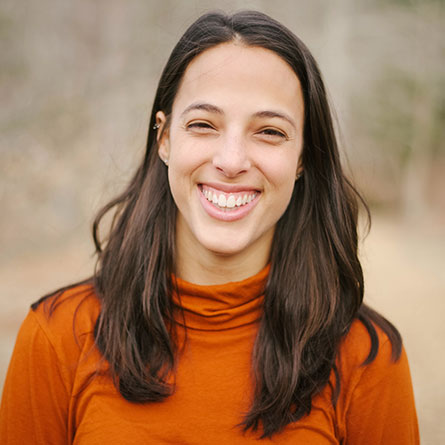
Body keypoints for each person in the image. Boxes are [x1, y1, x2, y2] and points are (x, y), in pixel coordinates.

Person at [0, 10, 419, 444]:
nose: (232, 160)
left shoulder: (366, 359)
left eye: (270, 132)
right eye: (203, 125)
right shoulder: (57, 338)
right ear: (164, 138)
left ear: (302, 159)